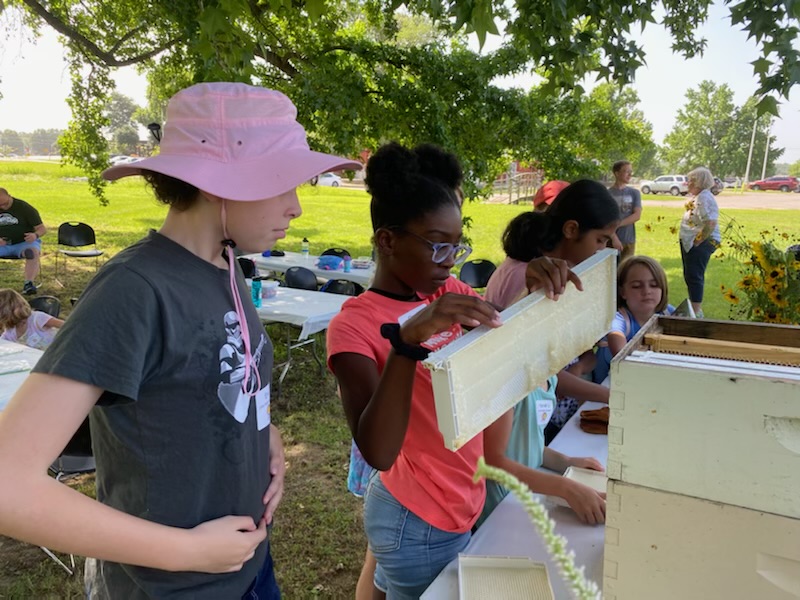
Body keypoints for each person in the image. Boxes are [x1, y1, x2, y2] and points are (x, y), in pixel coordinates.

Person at [0, 82, 361, 599]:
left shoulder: (226, 261)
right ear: (219, 183)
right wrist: (187, 552)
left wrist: (263, 435)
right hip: (170, 586)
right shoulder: (133, 290)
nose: (296, 207)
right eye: (282, 183)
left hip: (249, 568)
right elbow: (8, 485)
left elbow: (211, 381)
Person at [326, 141, 505, 599]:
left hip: (459, 498)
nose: (449, 263)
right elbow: (378, 451)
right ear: (388, 240)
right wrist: (407, 342)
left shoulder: (445, 291)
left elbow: (503, 336)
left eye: (455, 247)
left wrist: (541, 290)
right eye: (437, 247)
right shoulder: (355, 325)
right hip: (418, 517)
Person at [485, 180, 620, 442]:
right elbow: (536, 370)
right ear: (571, 229)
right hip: (517, 430)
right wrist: (612, 396)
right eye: (600, 240)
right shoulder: (530, 279)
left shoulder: (545, 271)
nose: (601, 250)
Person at [480, 372, 606, 527]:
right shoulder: (508, 386)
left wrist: (565, 462)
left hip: (529, 493)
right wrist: (565, 488)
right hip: (500, 507)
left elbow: (531, 443)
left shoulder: (549, 378)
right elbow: (492, 461)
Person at [593, 256, 675, 384]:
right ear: (622, 292)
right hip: (608, 388)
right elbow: (622, 356)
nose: (646, 291)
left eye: (654, 285)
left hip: (650, 379)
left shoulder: (668, 313)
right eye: (637, 286)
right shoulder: (617, 319)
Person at [679, 166, 720, 318]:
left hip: (702, 243)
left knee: (695, 275)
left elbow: (710, 223)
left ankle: (696, 312)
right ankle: (693, 309)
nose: (687, 183)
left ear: (698, 182)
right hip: (692, 242)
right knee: (690, 274)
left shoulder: (704, 198)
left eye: (690, 180)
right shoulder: (699, 197)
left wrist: (698, 241)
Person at [0, 187, 47, 296]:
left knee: (32, 252)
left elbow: (42, 229)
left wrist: (35, 235)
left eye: (5, 204)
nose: (3, 207)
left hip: (23, 242)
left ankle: (28, 284)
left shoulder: (24, 208)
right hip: (3, 244)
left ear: (9, 196)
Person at [607, 161, 642, 261]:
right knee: (612, 273)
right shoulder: (607, 194)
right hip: (610, 241)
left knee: (626, 271)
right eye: (626, 171)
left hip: (629, 240)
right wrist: (614, 237)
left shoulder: (634, 193)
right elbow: (605, 219)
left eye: (631, 171)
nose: (630, 174)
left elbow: (637, 215)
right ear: (617, 173)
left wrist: (618, 224)